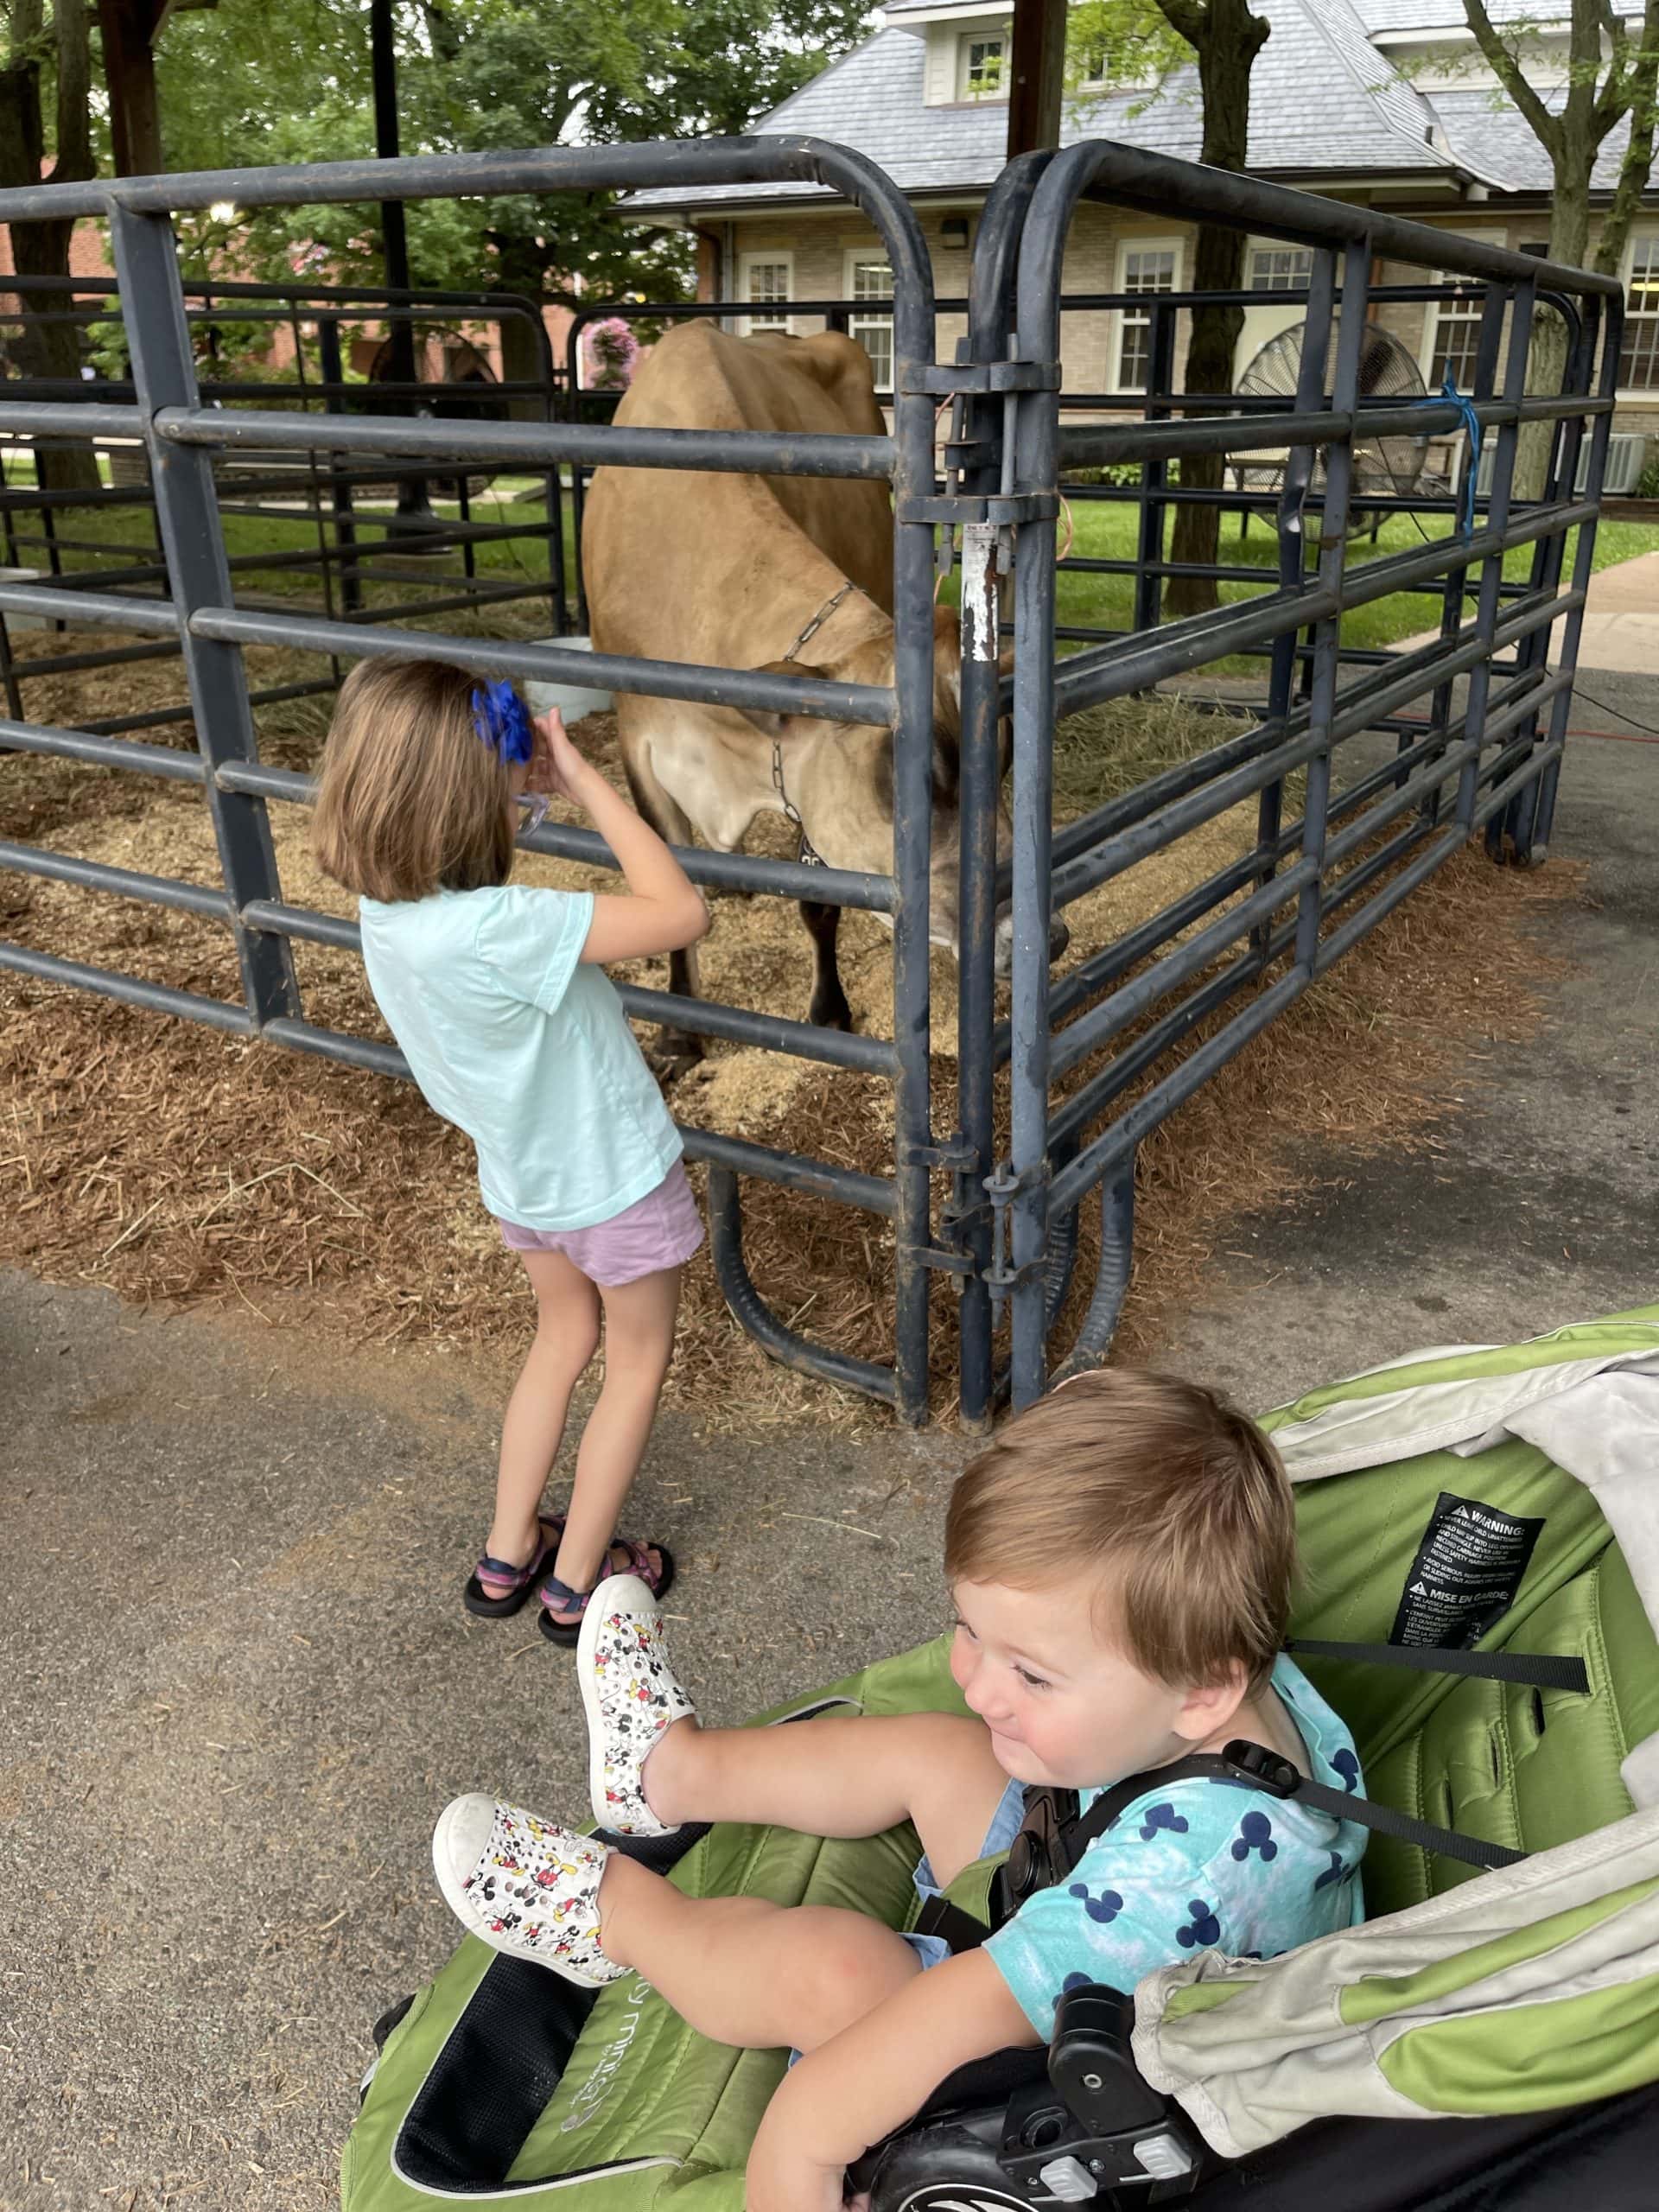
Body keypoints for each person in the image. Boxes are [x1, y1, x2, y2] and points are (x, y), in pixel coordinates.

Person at [429, 1370, 1368, 2209]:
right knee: (952, 1750)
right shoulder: (1238, 1692)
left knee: (836, 1973)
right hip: (1091, 1900)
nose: (975, 1677)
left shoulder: (1181, 1883)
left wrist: (796, 2149)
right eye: (969, 1630)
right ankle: (670, 1773)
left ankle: (620, 1918)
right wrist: (1032, 1712)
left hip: (1054, 2082)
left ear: (1204, 1689)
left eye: (1031, 1674)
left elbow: (954, 2020)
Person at [312, 658, 709, 1642]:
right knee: (634, 1362)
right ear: (460, 798)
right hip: (612, 1176)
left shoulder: (391, 915)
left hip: (522, 1177)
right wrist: (580, 778)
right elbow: (680, 912)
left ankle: (507, 1554)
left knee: (559, 1341)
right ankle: (581, 1583)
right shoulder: (501, 927)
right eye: (500, 776)